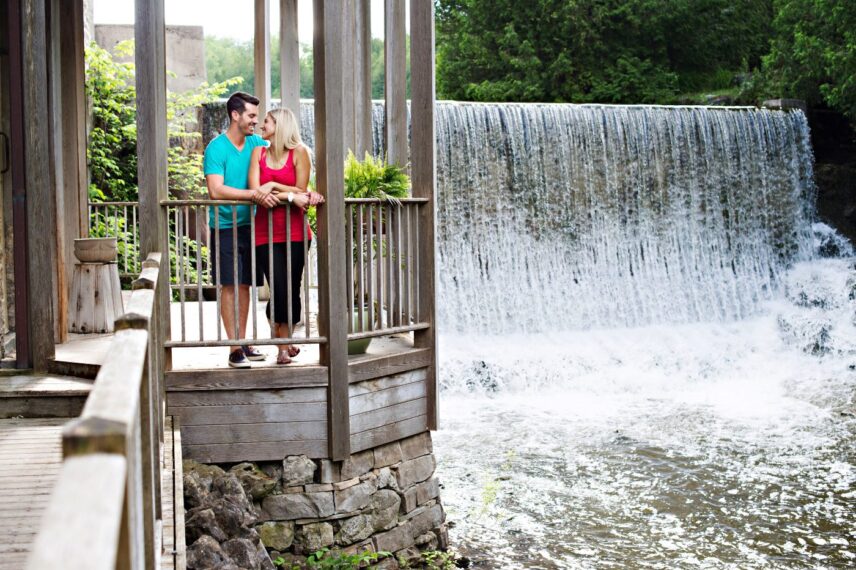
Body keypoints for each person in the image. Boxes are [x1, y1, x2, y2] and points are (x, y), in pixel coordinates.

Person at [203, 91, 278, 368]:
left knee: (245, 285)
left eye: (258, 118)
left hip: (251, 225)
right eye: (251, 116)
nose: (255, 122)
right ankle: (233, 348)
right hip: (224, 226)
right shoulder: (216, 148)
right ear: (235, 115)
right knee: (229, 285)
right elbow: (216, 190)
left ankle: (244, 342)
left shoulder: (257, 144)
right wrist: (255, 195)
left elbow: (285, 147)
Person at [249, 107, 324, 364]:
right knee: (278, 286)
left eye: (266, 122)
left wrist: (274, 186)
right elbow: (255, 191)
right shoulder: (258, 153)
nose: (261, 126)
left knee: (291, 289)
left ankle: (283, 337)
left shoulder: (300, 153)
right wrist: (289, 195)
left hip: (296, 233)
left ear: (280, 125)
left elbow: (302, 190)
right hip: (265, 234)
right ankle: (283, 345)